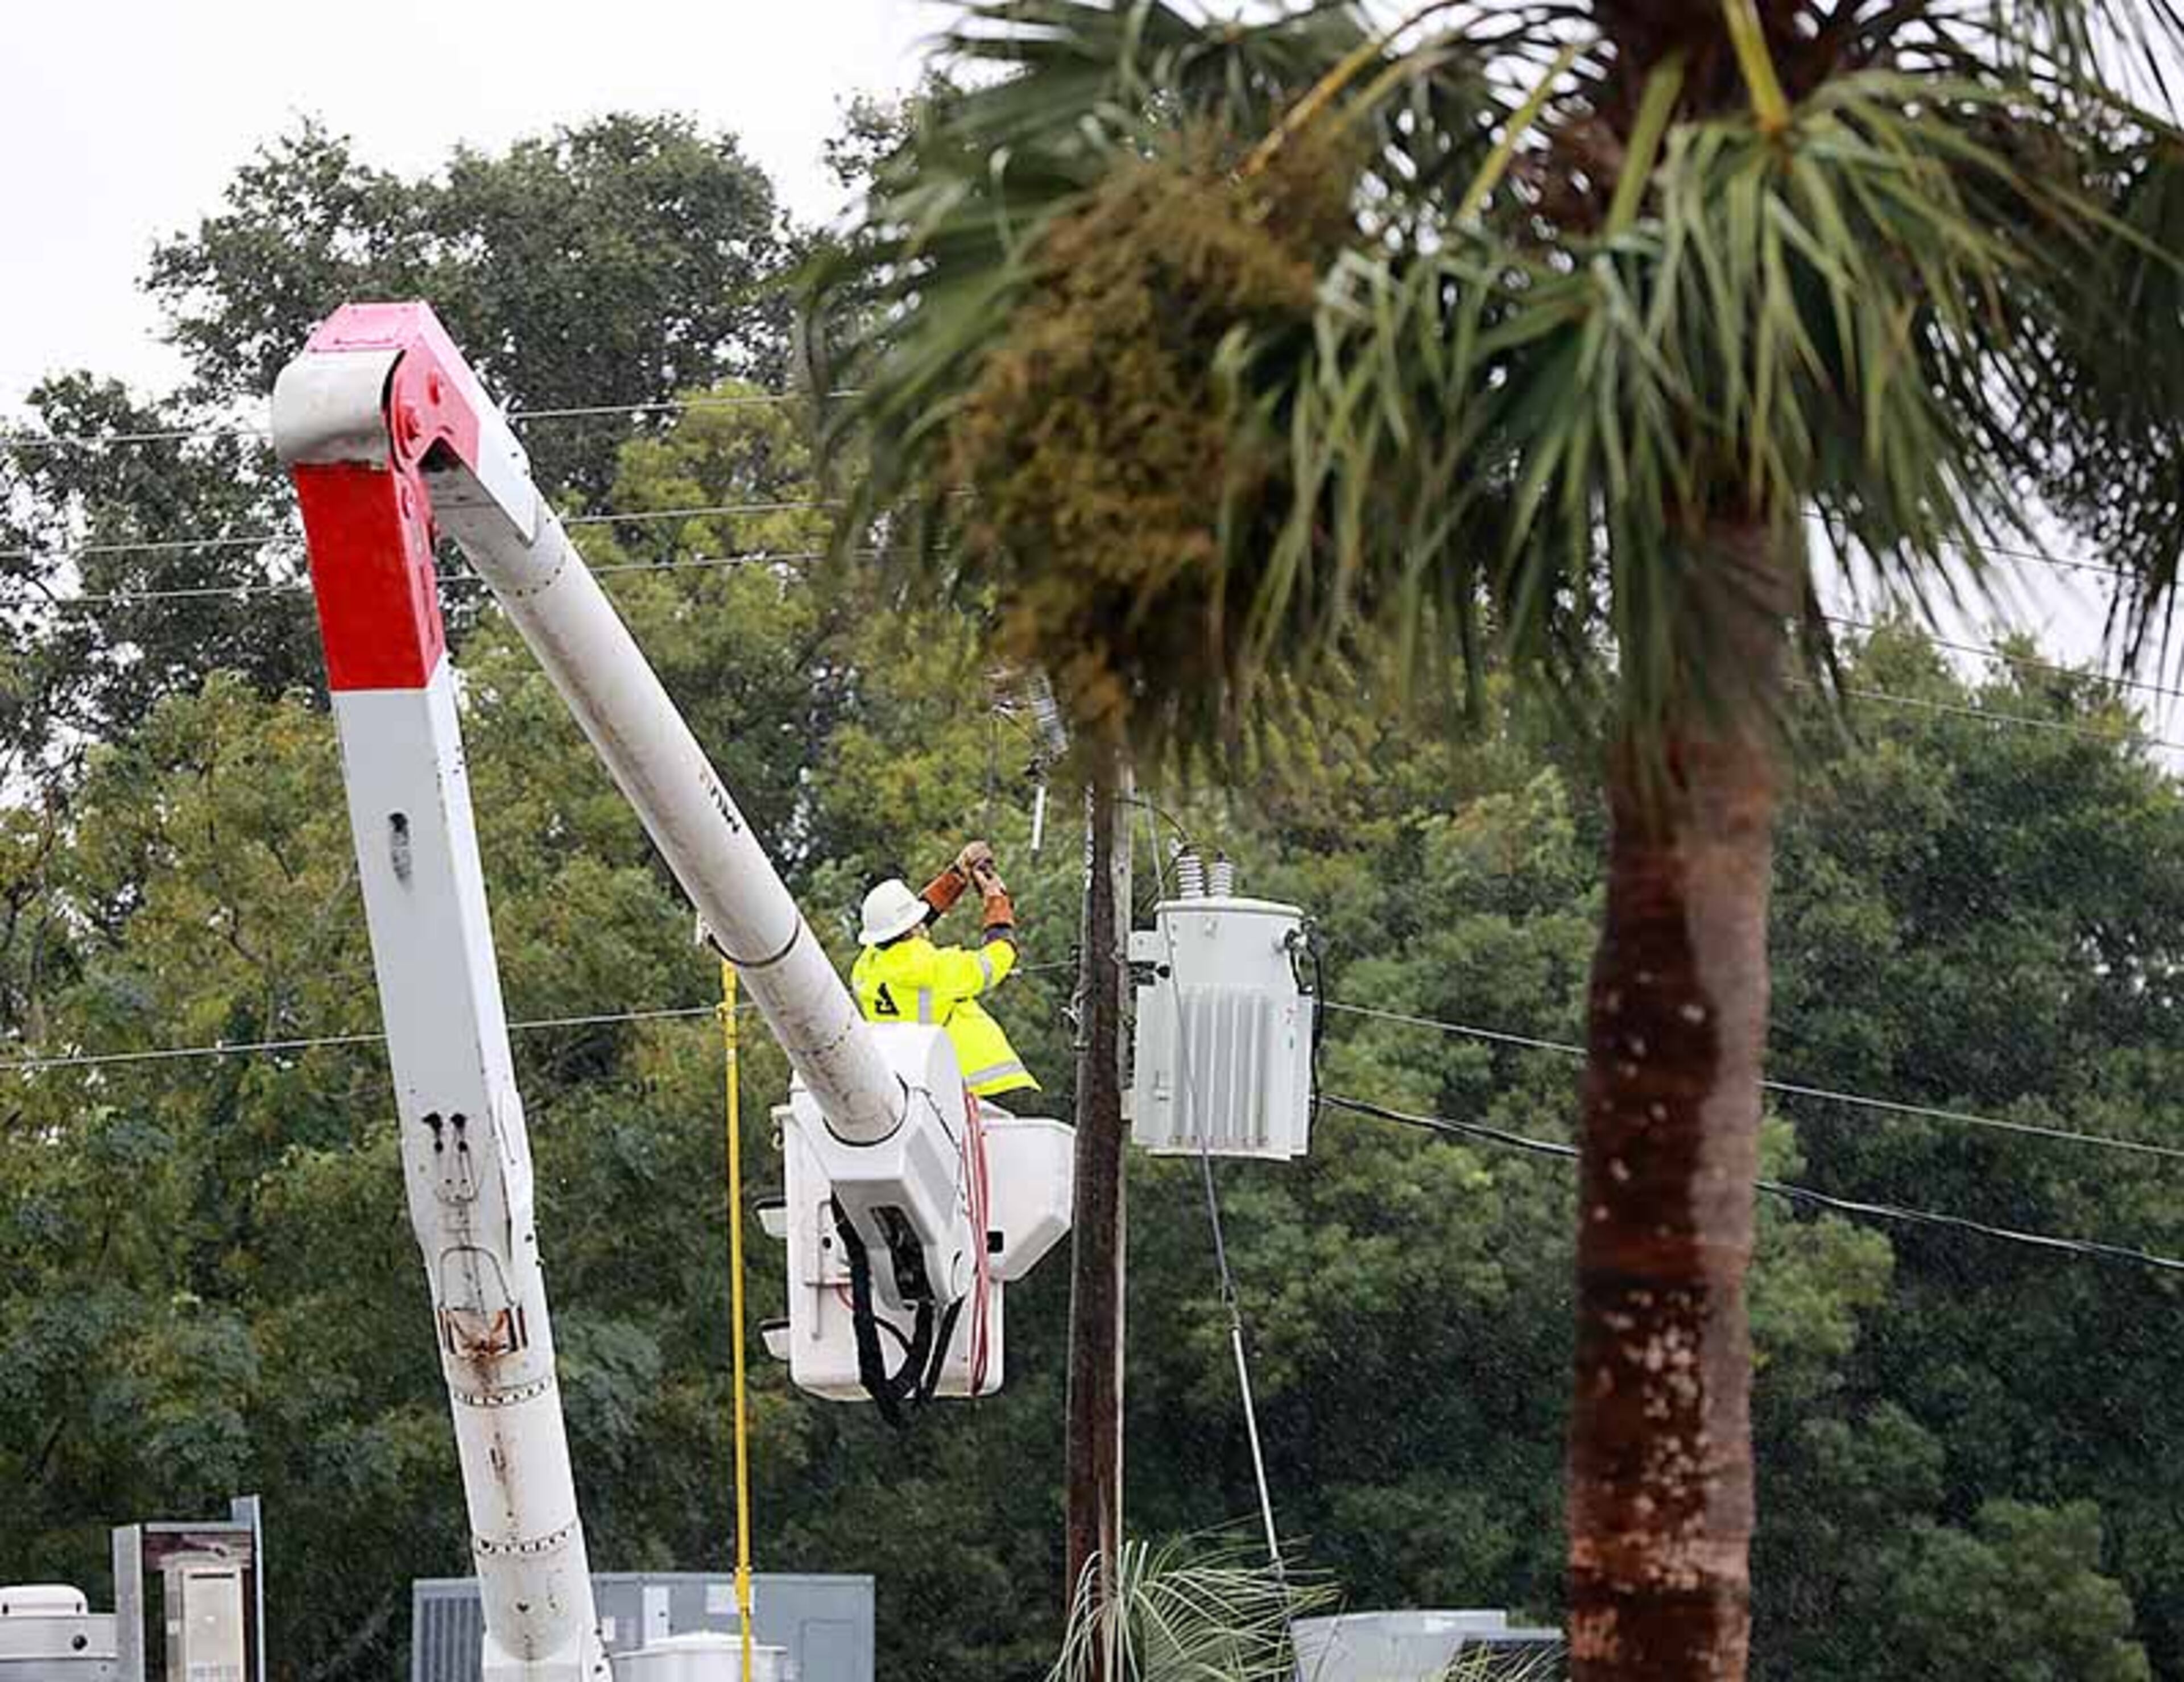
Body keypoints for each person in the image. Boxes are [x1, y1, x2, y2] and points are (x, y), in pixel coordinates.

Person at [853, 840, 1039, 1101]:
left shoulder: (866, 968)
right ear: (910, 929)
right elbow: (998, 958)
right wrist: (997, 901)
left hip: (920, 1086)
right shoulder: (935, 968)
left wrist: (958, 874)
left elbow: (914, 920)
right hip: (985, 1086)